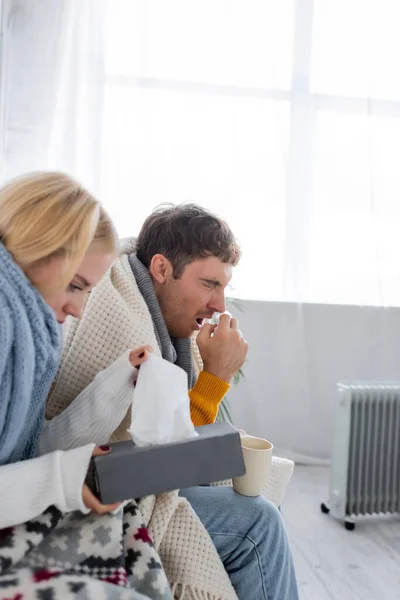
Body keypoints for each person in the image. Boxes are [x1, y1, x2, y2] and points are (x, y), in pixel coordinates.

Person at [47, 204, 300, 600]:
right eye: (208, 284)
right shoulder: (120, 321)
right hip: (95, 495)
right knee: (259, 522)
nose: (220, 305)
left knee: (259, 487)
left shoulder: (167, 323)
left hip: (122, 480)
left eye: (224, 287)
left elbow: (172, 432)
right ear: (162, 269)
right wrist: (215, 381)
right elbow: (152, 462)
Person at [0, 172, 173, 600]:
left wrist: (117, 384)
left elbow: (29, 450)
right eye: (75, 285)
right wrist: (60, 478)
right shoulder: (11, 323)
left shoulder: (25, 329)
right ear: (34, 248)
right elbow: (40, 466)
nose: (77, 309)